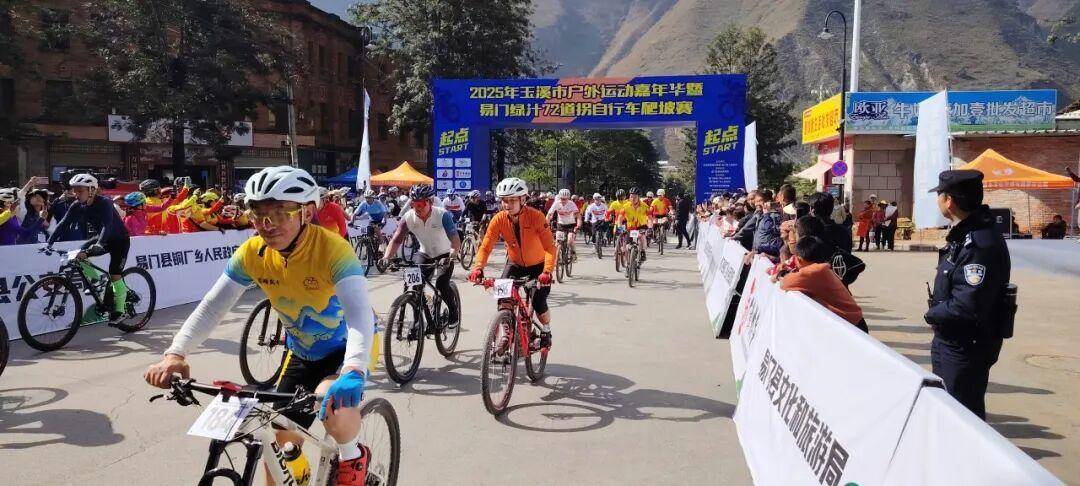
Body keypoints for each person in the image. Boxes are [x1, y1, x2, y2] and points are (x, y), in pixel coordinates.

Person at [144, 166, 376, 484]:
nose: (268, 224)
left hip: (346, 349)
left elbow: (360, 316)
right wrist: (176, 353)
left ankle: (353, 457)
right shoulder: (252, 253)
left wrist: (354, 370)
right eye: (258, 213)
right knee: (278, 448)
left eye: (281, 213)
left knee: (332, 405)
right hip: (302, 353)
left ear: (307, 213)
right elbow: (212, 307)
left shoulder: (333, 249)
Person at [925, 169, 1013, 420]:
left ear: (949, 201)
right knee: (947, 409)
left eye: (940, 195)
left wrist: (932, 314)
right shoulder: (965, 234)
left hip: (965, 344)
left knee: (962, 414)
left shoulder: (979, 244)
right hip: (951, 337)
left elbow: (967, 304)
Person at [469, 177, 556, 348]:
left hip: (538, 266)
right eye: (504, 201)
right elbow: (486, 246)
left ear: (523, 199)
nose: (507, 205)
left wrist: (547, 271)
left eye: (512, 201)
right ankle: (505, 333)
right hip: (514, 263)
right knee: (503, 298)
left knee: (538, 301)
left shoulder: (536, 217)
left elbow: (550, 248)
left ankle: (546, 329)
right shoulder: (499, 219)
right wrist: (478, 268)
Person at [47, 173, 132, 322]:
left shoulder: (105, 202)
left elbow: (107, 225)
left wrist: (99, 244)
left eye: (80, 191)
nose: (76, 194)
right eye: (75, 190)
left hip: (119, 240)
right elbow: (63, 223)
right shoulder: (77, 205)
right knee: (78, 255)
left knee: (114, 275)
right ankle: (96, 281)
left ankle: (120, 312)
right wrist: (49, 242)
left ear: (92, 190)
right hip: (102, 239)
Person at [382, 184, 462, 327]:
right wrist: (386, 257)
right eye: (414, 204)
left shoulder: (442, 215)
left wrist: (452, 255)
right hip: (425, 253)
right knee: (415, 285)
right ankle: (418, 322)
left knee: (441, 284)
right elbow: (396, 240)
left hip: (445, 254)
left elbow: (455, 239)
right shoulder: (408, 217)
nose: (417, 208)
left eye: (421, 204)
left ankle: (453, 311)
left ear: (430, 202)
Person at [781, 236, 868, 332]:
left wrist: (780, 274)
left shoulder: (815, 271)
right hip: (852, 322)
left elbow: (785, 283)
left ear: (799, 259)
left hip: (853, 326)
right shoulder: (821, 268)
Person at [616, 188, 651, 262]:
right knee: (626, 247)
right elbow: (620, 218)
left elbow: (650, 218)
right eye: (631, 197)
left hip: (641, 226)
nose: (633, 199)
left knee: (642, 236)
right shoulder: (625, 206)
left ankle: (643, 251)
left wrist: (650, 228)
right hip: (630, 227)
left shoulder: (645, 206)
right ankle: (628, 264)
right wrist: (620, 228)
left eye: (635, 197)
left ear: (638, 197)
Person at [547, 188, 582, 260]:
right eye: (562, 199)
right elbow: (549, 214)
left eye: (565, 199)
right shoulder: (557, 203)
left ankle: (573, 252)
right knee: (557, 241)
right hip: (561, 224)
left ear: (568, 198)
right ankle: (557, 258)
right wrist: (546, 223)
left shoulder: (571, 204)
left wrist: (578, 225)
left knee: (570, 240)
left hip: (571, 224)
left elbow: (578, 215)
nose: (563, 201)